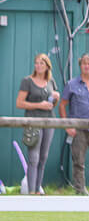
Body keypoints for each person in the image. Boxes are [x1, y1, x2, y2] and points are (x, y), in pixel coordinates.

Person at [59, 53, 89, 194]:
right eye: (84, 63)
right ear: (80, 66)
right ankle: (80, 191)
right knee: (78, 162)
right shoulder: (71, 84)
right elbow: (62, 105)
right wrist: (67, 126)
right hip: (78, 128)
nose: (87, 66)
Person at [15, 53, 60, 195]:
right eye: (36, 63)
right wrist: (39, 105)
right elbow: (19, 103)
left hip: (49, 121)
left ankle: (37, 190)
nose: (38, 66)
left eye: (41, 63)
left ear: (47, 66)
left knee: (43, 157)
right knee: (33, 158)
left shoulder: (51, 81)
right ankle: (31, 192)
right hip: (32, 122)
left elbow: (51, 105)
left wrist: (56, 99)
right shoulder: (27, 81)